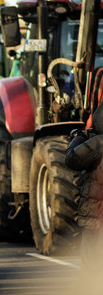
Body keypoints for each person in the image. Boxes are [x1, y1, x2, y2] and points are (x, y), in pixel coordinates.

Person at [65, 105, 103, 275]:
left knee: (90, 268)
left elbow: (72, 158)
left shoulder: (98, 143)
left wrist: (79, 137)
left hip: (96, 216)